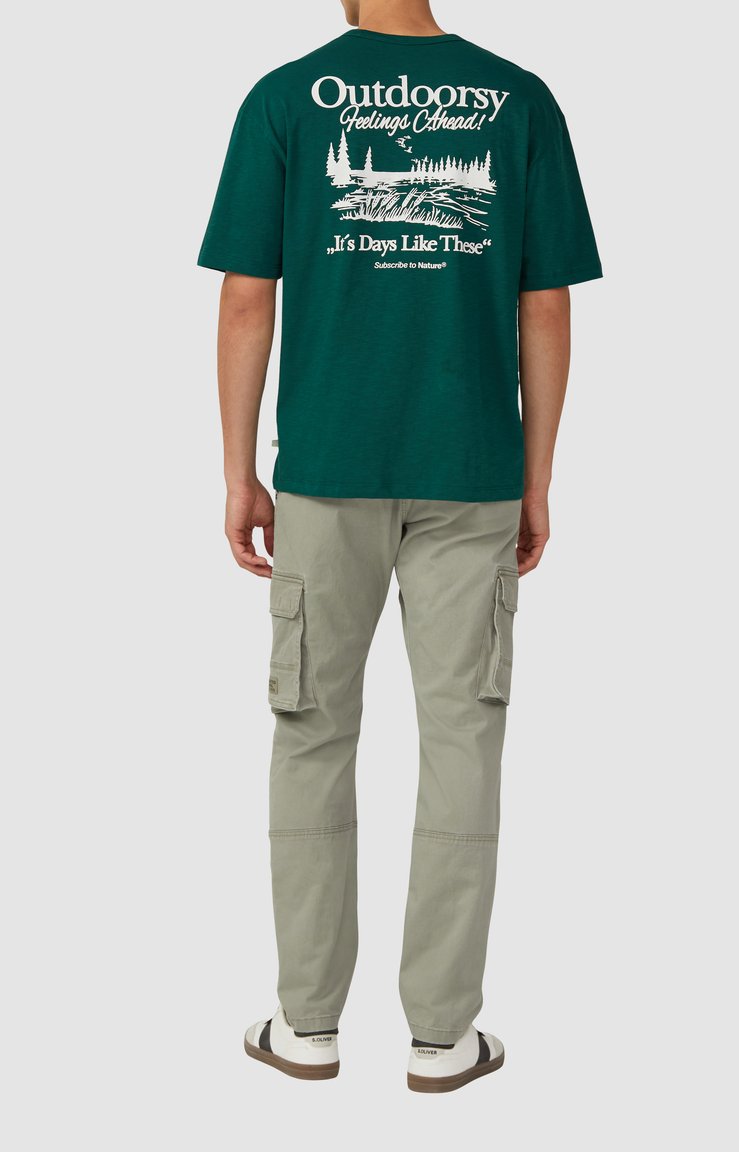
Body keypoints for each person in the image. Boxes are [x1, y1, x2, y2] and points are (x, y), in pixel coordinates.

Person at [198, 0, 601, 1093]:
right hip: (472, 467)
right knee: (463, 738)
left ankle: (306, 1026)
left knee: (311, 732)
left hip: (325, 466)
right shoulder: (518, 99)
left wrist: (238, 472)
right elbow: (545, 305)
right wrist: (536, 476)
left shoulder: (286, 97)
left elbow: (246, 302)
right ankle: (441, 1037)